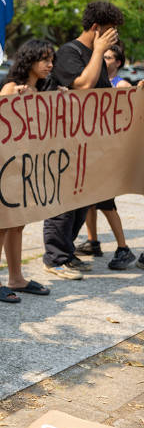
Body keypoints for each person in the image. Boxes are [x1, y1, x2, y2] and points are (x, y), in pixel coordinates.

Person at [43, 1, 125, 279]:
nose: (115, 37)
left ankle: (67, 252)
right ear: (96, 28)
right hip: (65, 141)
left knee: (82, 201)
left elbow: (103, 93)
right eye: (110, 31)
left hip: (90, 143)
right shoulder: (70, 52)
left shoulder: (96, 57)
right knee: (64, 201)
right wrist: (99, 51)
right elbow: (83, 86)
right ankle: (54, 257)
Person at [0, 40, 56, 302]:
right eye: (44, 59)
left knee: (18, 223)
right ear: (29, 60)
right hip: (6, 166)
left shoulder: (43, 89)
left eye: (51, 59)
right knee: (0, 223)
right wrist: (16, 99)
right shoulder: (12, 87)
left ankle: (16, 277)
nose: (50, 65)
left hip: (27, 165)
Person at [74, 43, 136, 270]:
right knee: (89, 200)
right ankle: (93, 241)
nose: (104, 60)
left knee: (106, 202)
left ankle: (123, 248)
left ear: (118, 62)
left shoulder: (122, 86)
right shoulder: (95, 81)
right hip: (93, 149)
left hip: (109, 152)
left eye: (109, 57)